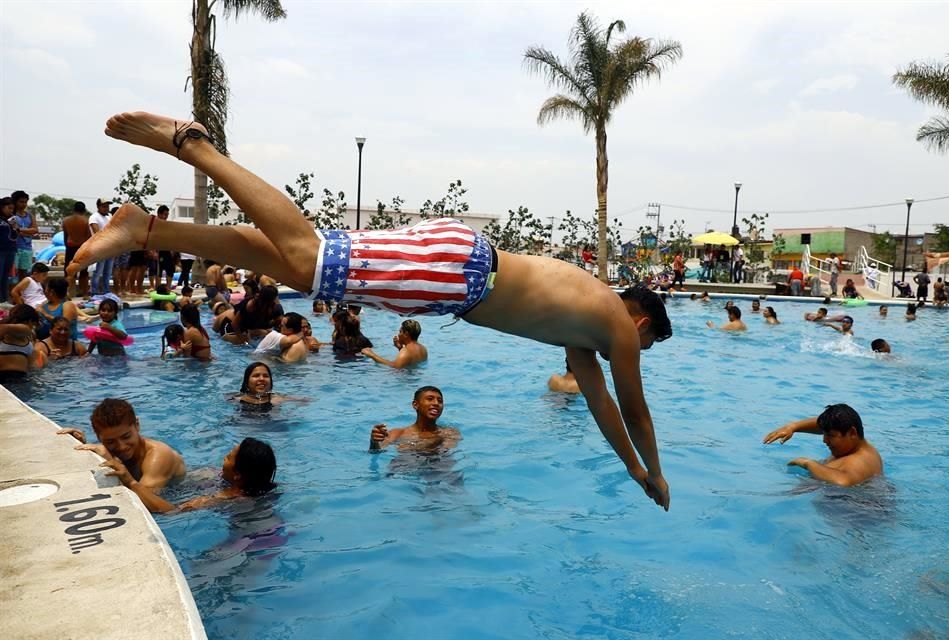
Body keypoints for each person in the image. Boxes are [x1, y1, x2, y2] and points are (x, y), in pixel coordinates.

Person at [67, 112, 675, 508]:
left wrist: (636, 475)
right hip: (457, 278)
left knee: (283, 259)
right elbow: (635, 410)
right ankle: (191, 143)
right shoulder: (618, 326)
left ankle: (145, 229)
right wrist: (657, 470)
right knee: (307, 260)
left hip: (459, 268)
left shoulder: (582, 328)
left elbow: (602, 409)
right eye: (644, 347)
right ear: (641, 323)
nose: (634, 353)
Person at [99, 437, 276, 514]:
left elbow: (171, 511)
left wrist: (131, 482)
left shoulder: (224, 498)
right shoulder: (256, 488)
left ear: (237, 475)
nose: (224, 458)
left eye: (228, 457)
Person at [58, 398, 186, 490]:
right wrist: (78, 446)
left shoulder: (159, 455)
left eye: (126, 437)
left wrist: (114, 462)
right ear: (99, 437)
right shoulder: (109, 447)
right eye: (110, 441)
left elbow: (148, 505)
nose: (121, 446)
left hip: (195, 488)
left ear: (137, 425)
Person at [762, 404, 882, 487]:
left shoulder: (861, 459)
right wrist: (792, 427)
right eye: (823, 433)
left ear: (852, 433)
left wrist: (808, 463)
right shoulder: (850, 445)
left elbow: (843, 482)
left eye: (830, 435)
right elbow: (825, 425)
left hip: (857, 514)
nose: (824, 440)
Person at [369, 386, 461, 452]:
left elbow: (445, 455)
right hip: (404, 468)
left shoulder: (450, 432)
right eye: (430, 399)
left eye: (440, 401)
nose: (436, 403)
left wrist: (409, 446)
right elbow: (377, 451)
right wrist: (374, 442)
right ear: (415, 405)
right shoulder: (398, 433)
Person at [0, 304, 45, 381]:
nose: (32, 328)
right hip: (12, 377)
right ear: (30, 321)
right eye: (33, 324)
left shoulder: (21, 333)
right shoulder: (25, 329)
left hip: (16, 377)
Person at [362, 319, 428, 368]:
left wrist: (372, 355)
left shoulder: (405, 352)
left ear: (406, 334)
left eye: (400, 332)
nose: (398, 334)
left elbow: (395, 368)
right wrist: (400, 348)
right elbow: (410, 363)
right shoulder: (423, 349)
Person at [62, 201, 92, 297]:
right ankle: (85, 294)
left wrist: (67, 246)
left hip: (70, 246)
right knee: (84, 272)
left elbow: (65, 236)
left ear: (74, 209)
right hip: (82, 247)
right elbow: (88, 237)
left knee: (69, 271)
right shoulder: (85, 221)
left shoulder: (66, 220)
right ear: (83, 210)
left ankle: (67, 293)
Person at [36, 276, 80, 341]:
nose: (44, 291)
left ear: (51, 292)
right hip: (45, 342)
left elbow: (64, 325)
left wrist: (45, 314)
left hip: (64, 343)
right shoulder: (44, 305)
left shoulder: (67, 305)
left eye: (46, 288)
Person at [88, 197, 115, 295]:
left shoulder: (109, 216)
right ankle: (94, 292)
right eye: (104, 206)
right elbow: (97, 232)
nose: (106, 208)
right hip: (100, 248)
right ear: (98, 206)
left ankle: (106, 291)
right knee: (98, 272)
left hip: (110, 248)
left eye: (107, 206)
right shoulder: (94, 217)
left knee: (108, 272)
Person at [10, 190, 38, 283]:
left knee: (25, 273)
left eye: (25, 202)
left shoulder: (29, 215)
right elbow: (13, 230)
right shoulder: (11, 215)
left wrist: (20, 230)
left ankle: (22, 293)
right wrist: (28, 231)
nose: (24, 204)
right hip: (15, 247)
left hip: (27, 248)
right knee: (13, 273)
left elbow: (35, 230)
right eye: (21, 202)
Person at [0, 197, 19, 303]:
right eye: (9, 208)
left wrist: (15, 227)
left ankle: (4, 299)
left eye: (12, 209)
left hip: (10, 249)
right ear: (2, 207)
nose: (11, 211)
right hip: (1, 250)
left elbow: (15, 235)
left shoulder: (12, 219)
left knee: (5, 276)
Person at [155, 205, 176, 288]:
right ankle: (158, 288)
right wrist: (154, 251)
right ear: (159, 214)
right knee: (159, 271)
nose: (166, 217)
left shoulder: (166, 224)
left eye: (167, 215)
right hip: (159, 250)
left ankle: (168, 288)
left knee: (170, 269)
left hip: (167, 250)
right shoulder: (155, 224)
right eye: (164, 214)